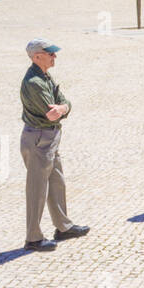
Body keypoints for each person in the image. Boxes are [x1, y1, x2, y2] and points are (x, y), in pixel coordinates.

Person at [20, 39, 89, 251]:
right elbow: (52, 114)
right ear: (37, 57)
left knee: (57, 182)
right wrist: (61, 109)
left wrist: (63, 108)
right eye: (50, 53)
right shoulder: (34, 83)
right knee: (37, 188)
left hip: (50, 139)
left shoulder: (45, 76)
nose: (54, 56)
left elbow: (64, 103)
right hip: (39, 139)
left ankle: (63, 226)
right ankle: (33, 238)